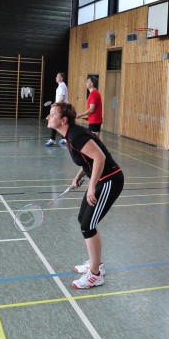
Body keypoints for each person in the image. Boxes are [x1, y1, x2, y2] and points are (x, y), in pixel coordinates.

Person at [46, 102, 124, 289]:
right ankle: (96, 263)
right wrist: (79, 176)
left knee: (88, 225)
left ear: (64, 120)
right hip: (101, 180)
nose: (48, 117)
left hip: (109, 181)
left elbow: (100, 157)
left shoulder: (76, 135)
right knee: (83, 219)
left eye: (52, 114)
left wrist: (91, 186)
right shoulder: (70, 135)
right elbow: (87, 159)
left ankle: (95, 274)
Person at [45, 72, 69, 146]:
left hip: (61, 108)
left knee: (54, 121)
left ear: (61, 78)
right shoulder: (61, 86)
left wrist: (55, 104)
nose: (56, 77)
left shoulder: (62, 86)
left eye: (58, 76)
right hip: (60, 107)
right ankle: (63, 138)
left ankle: (53, 139)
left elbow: (62, 98)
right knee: (59, 122)